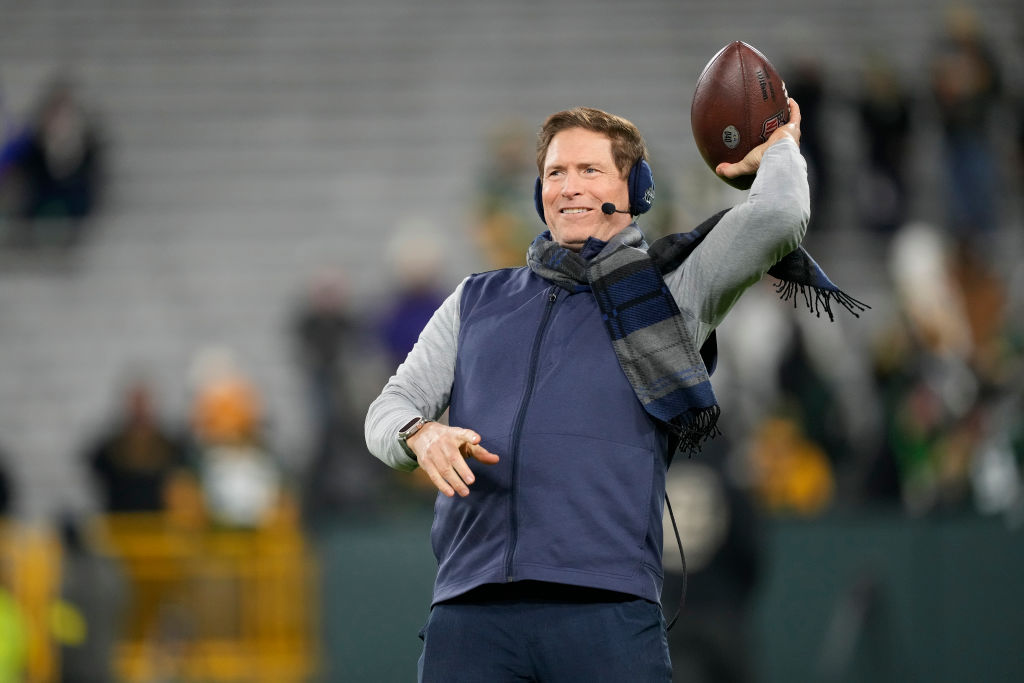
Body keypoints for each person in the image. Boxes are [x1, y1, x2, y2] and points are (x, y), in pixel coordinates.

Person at [366, 99, 860, 681]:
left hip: (605, 608)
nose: (569, 187)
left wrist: (778, 148)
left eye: (589, 171)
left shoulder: (673, 289)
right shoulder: (476, 299)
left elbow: (779, 215)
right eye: (555, 173)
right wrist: (421, 435)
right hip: (471, 610)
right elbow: (387, 408)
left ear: (637, 188)